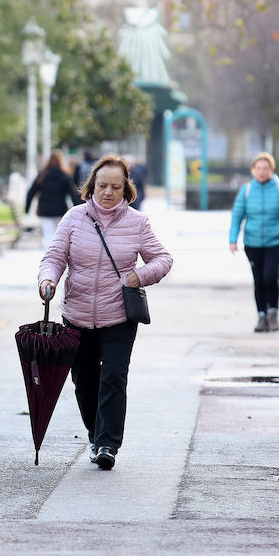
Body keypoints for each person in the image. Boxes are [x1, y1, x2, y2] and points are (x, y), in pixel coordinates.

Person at [38, 154, 172, 470]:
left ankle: (108, 444)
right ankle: (95, 435)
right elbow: (55, 257)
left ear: (126, 189)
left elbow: (163, 259)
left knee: (113, 378)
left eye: (115, 186)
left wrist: (139, 275)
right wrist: (47, 279)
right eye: (102, 186)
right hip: (77, 315)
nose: (108, 192)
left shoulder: (137, 223)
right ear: (91, 186)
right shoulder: (73, 218)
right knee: (84, 382)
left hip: (119, 318)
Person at [229, 152, 279, 332]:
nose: (262, 172)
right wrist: (233, 239)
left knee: (270, 276)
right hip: (252, 243)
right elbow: (237, 216)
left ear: (272, 170)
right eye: (259, 168)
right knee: (259, 279)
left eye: (265, 168)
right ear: (254, 170)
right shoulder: (246, 191)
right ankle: (261, 316)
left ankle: (273, 312)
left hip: (275, 242)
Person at [25, 150, 82, 250]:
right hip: (60, 209)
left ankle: (48, 255)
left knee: (48, 234)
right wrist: (78, 208)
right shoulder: (65, 175)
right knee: (59, 235)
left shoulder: (42, 175)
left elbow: (31, 191)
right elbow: (73, 193)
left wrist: (27, 208)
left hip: (45, 210)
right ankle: (57, 255)